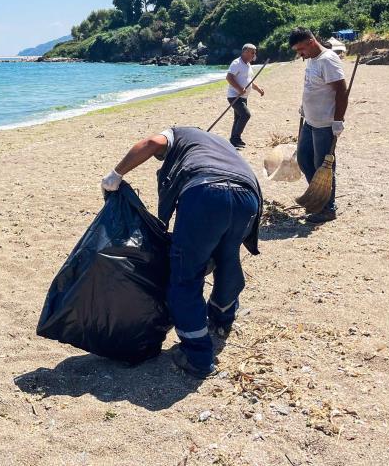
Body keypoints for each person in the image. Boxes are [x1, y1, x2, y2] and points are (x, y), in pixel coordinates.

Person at [101, 127, 261, 379]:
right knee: (227, 258)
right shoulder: (216, 143)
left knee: (185, 275)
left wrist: (116, 174)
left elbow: (152, 142)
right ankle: (222, 317)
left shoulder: (174, 134)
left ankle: (197, 356)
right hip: (248, 196)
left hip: (206, 194)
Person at [288, 27, 348, 224]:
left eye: (300, 50)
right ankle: (318, 197)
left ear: (311, 42)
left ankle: (327, 208)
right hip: (310, 121)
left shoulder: (328, 60)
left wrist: (338, 120)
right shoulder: (312, 59)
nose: (300, 54)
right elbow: (312, 86)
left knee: (323, 166)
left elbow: (341, 91)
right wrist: (304, 106)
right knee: (305, 160)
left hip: (324, 124)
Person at [225, 43, 264, 149]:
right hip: (234, 96)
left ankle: (234, 140)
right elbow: (229, 77)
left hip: (243, 97)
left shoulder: (248, 65)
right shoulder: (237, 63)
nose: (254, 55)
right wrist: (238, 88)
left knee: (238, 118)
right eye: (252, 53)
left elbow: (249, 81)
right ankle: (235, 139)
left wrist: (259, 89)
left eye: (255, 53)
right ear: (245, 52)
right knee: (246, 115)